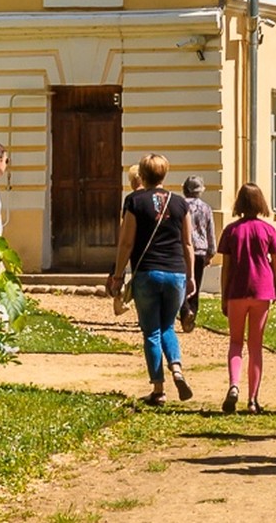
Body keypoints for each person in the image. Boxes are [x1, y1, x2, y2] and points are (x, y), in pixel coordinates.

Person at [108, 154, 198, 406]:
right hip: (176, 272)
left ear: (142, 175)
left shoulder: (135, 201)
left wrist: (117, 275)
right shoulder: (180, 203)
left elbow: (126, 241)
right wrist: (190, 276)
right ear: (164, 174)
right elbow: (188, 243)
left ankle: (158, 389)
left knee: (151, 331)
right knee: (168, 326)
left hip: (147, 272)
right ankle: (177, 368)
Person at [217, 183, 276, 413]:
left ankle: (234, 385)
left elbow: (225, 267)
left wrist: (223, 295)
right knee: (255, 346)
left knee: (236, 342)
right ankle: (253, 399)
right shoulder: (268, 230)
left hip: (237, 290)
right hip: (262, 290)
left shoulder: (231, 230)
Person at [181, 175, 215, 333]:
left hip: (182, 250)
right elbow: (210, 232)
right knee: (196, 284)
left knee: (182, 283)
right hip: (200, 251)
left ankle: (184, 309)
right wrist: (211, 252)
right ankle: (192, 314)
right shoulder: (206, 208)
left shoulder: (180, 205)